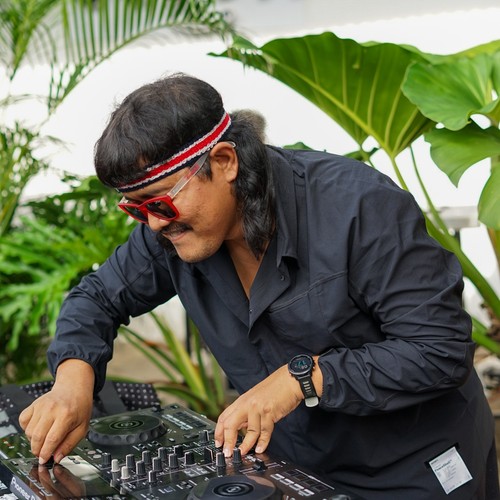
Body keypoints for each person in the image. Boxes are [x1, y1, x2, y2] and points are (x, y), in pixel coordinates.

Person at [19, 73, 499, 499]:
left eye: (159, 203)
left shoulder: (359, 207)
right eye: (135, 209)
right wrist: (72, 382)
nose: (153, 224)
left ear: (224, 160)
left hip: (415, 466)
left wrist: (302, 378)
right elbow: (98, 297)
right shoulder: (169, 233)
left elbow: (438, 349)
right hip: (298, 466)